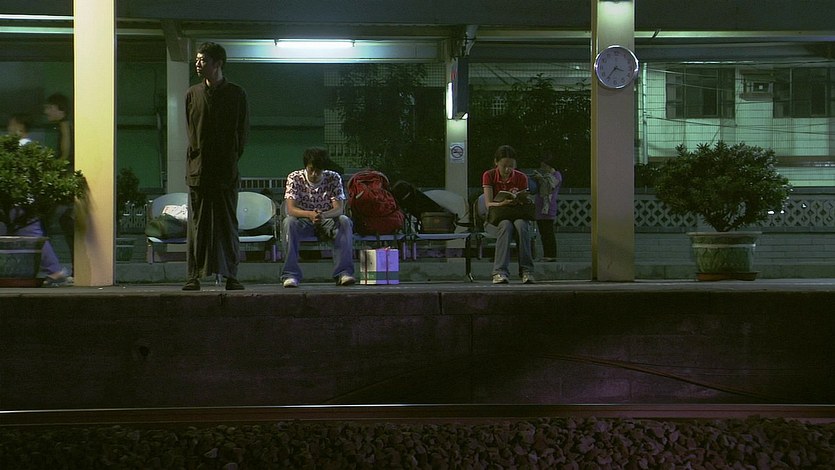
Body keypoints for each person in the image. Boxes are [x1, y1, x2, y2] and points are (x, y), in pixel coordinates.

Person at [182, 42, 249, 291]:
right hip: (199, 169)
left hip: (225, 170)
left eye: (203, 60)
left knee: (227, 223)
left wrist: (230, 157)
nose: (198, 64)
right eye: (197, 60)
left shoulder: (236, 94)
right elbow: (191, 132)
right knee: (197, 225)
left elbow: (242, 132)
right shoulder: (192, 94)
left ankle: (231, 275)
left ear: (218, 63)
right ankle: (194, 276)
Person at [6, 114, 72, 286]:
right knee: (32, 236)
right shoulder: (30, 147)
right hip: (23, 201)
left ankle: (55, 270)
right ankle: (54, 270)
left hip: (18, 202)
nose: (9, 129)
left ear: (20, 127)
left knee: (32, 235)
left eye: (12, 125)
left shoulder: (20, 146)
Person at [281, 147, 356, 288]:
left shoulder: (333, 177)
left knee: (344, 221)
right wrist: (309, 214)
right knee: (288, 222)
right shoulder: (295, 177)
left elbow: (339, 208)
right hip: (303, 220)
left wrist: (323, 215)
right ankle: (290, 274)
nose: (314, 174)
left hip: (326, 220)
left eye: (318, 171)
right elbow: (290, 209)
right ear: (306, 166)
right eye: (311, 170)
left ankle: (343, 273)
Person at [482, 145, 535, 284]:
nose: (507, 170)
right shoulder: (489, 175)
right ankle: (499, 272)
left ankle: (527, 271)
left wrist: (522, 199)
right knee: (506, 225)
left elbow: (526, 198)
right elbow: (488, 203)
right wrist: (502, 203)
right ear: (496, 162)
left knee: (521, 225)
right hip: (497, 217)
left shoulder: (521, 177)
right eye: (504, 166)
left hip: (517, 214)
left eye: (511, 166)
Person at [43, 93, 76, 269]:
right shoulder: (66, 126)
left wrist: (52, 173)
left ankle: (52, 266)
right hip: (67, 181)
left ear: (60, 109)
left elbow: (65, 155)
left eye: (50, 108)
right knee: (65, 221)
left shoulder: (64, 126)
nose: (46, 111)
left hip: (64, 181)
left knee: (48, 221)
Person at [531, 152, 563, 262]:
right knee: (543, 233)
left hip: (548, 207)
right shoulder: (544, 175)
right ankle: (546, 254)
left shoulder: (556, 175)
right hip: (539, 207)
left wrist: (541, 178)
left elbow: (551, 186)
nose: (543, 168)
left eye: (544, 166)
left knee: (548, 232)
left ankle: (551, 255)